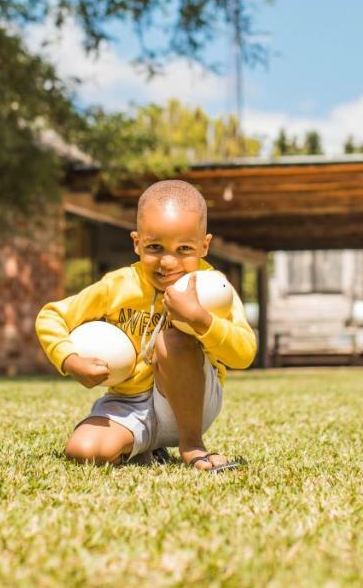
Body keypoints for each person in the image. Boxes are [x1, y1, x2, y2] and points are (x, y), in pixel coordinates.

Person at [35, 179, 255, 471]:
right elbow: (51, 316)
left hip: (193, 403)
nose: (167, 261)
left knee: (172, 341)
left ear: (204, 246)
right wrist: (70, 360)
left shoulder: (213, 288)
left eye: (184, 249)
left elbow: (244, 354)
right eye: (155, 247)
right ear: (137, 243)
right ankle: (144, 446)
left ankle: (192, 446)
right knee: (83, 451)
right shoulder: (119, 285)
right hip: (129, 403)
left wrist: (201, 320)